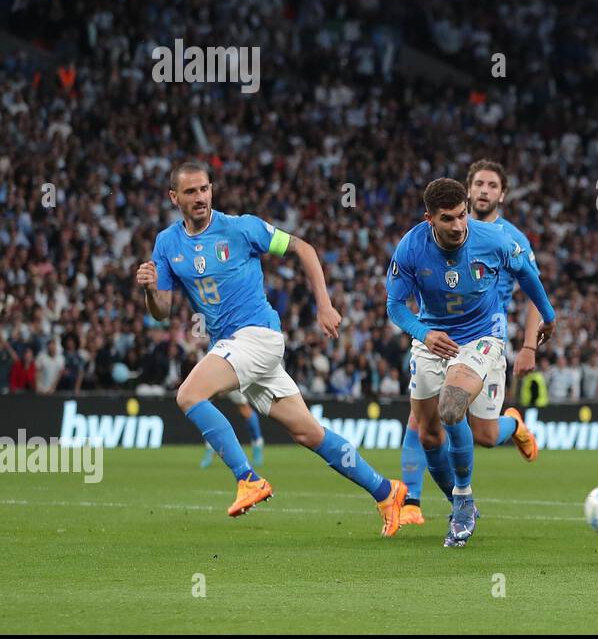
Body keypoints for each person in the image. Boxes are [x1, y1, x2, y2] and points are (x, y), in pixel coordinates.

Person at [139, 160, 408, 532]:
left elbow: (304, 248)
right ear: (174, 198)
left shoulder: (242, 228)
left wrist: (324, 304)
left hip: (257, 336)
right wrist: (152, 289)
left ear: (212, 190)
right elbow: (162, 312)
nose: (199, 197)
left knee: (188, 395)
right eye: (190, 192)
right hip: (234, 347)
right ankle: (386, 491)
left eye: (204, 189)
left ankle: (247, 478)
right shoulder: (167, 243)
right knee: (308, 433)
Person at [385, 178, 557, 548]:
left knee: (451, 408)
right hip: (432, 340)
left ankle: (462, 500)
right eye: (448, 219)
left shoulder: (493, 239)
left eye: (462, 215)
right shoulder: (411, 247)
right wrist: (423, 333)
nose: (459, 225)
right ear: (429, 218)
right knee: (443, 435)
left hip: (481, 337)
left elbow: (528, 274)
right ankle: (509, 430)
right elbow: (395, 306)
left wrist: (549, 315)